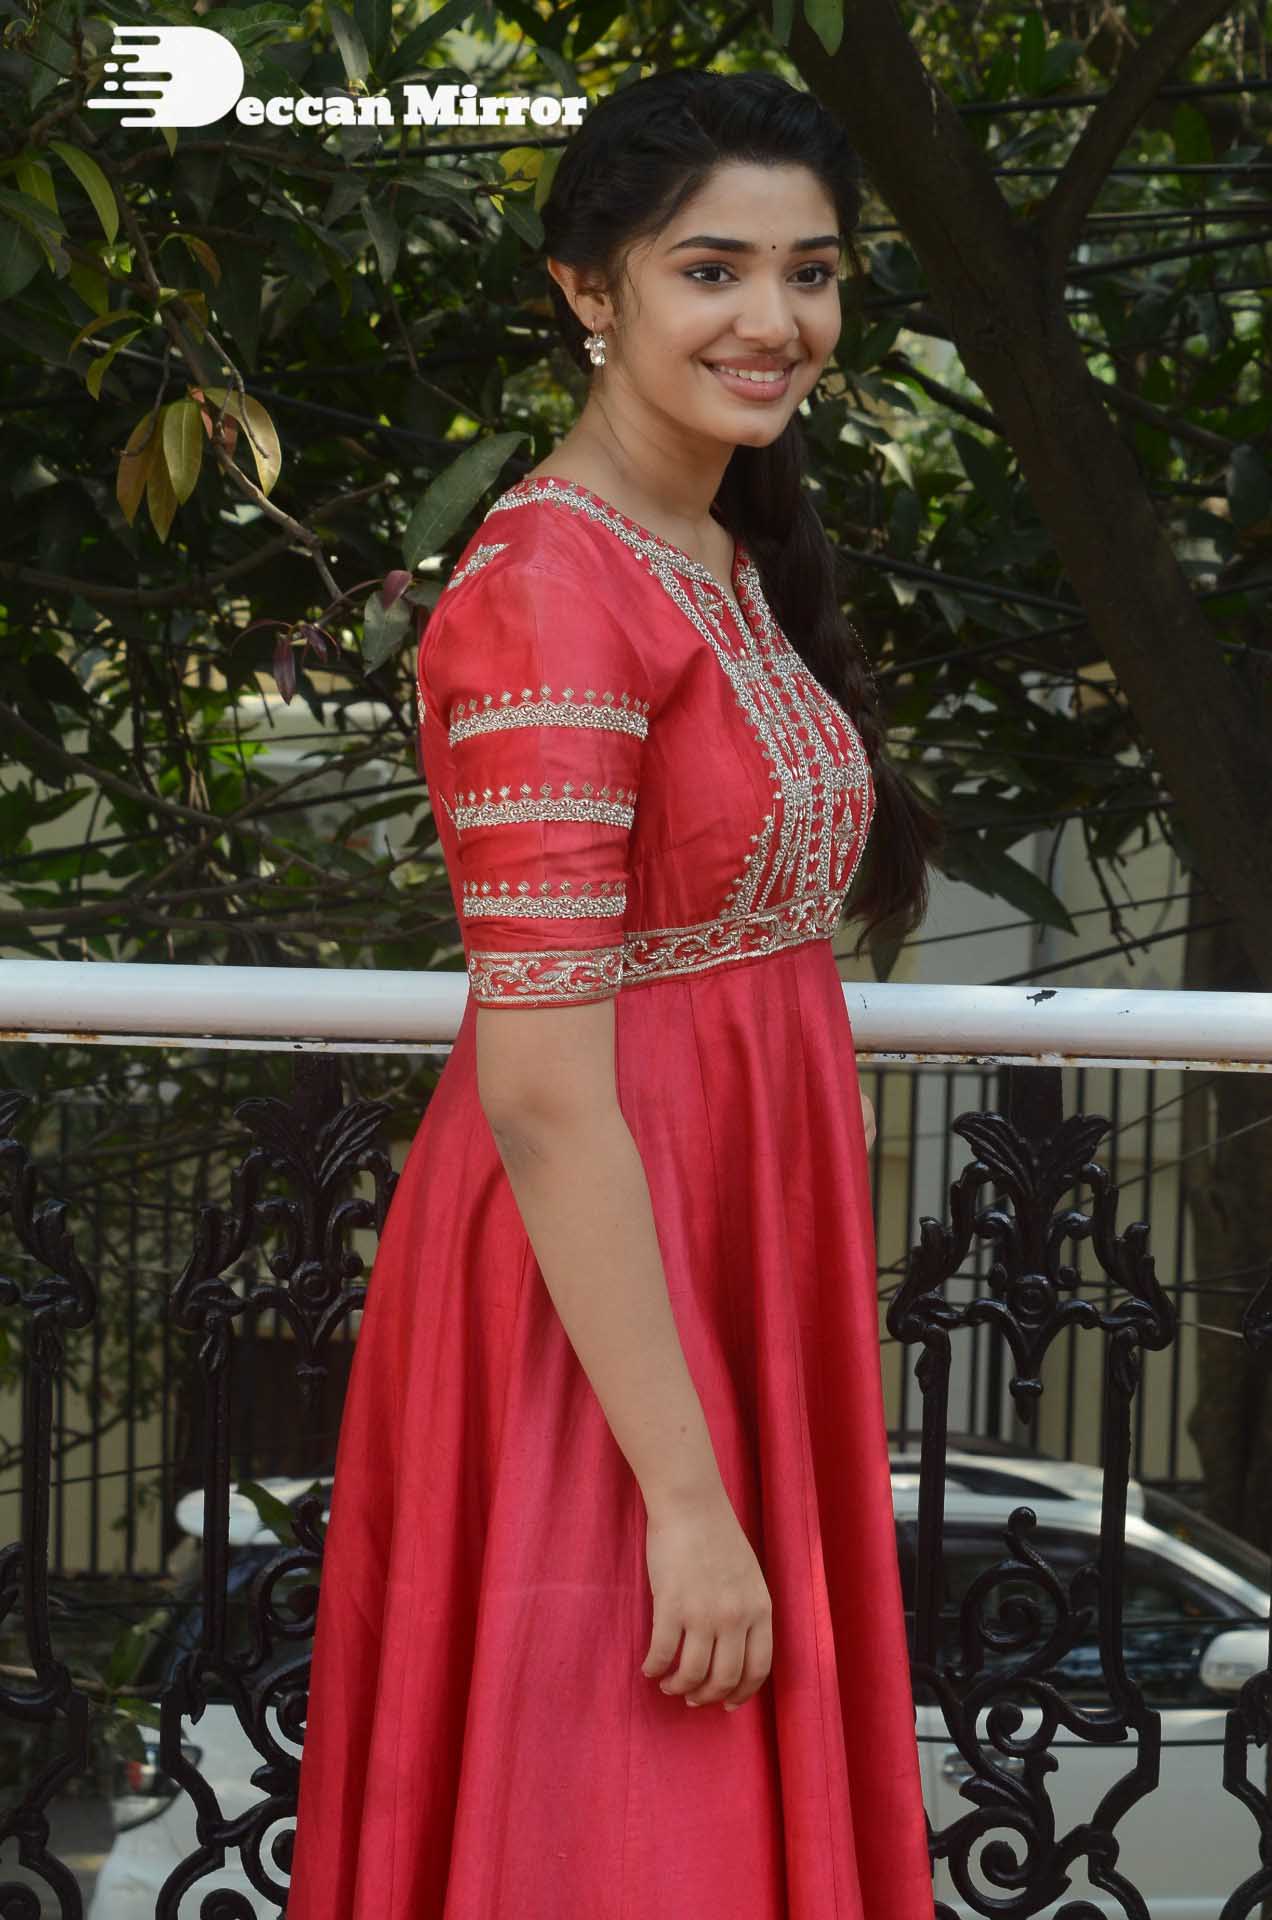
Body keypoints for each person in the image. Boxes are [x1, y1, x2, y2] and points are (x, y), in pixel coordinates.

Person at [287, 64, 944, 1920]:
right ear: (589, 289)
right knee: (627, 1826)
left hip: (722, 1251)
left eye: (811, 272)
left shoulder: (713, 552)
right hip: (600, 1306)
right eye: (710, 270)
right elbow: (542, 1087)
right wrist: (689, 1498)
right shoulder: (549, 590)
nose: (773, 319)